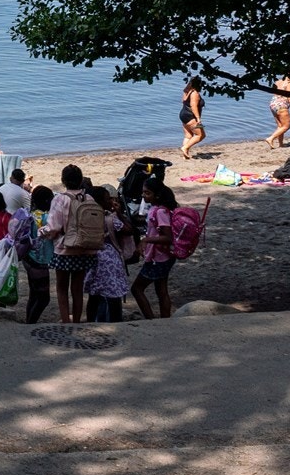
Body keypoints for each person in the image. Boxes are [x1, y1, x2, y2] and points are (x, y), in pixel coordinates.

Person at [41, 164, 99, 323]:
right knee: (77, 288)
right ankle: (77, 319)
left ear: (63, 181)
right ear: (80, 180)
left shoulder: (60, 199)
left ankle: (66, 320)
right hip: (84, 248)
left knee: (61, 287)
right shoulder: (89, 198)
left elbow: (53, 227)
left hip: (64, 248)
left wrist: (41, 233)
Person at [83, 185, 134, 322]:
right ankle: (116, 322)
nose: (110, 202)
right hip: (110, 261)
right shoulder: (110, 219)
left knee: (94, 295)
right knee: (113, 295)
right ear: (101, 202)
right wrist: (119, 214)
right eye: (107, 199)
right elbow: (129, 230)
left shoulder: (87, 217)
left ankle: (90, 322)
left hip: (93, 259)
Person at [131, 180, 179, 319]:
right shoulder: (156, 209)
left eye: (147, 193)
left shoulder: (160, 212)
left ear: (156, 195)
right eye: (143, 192)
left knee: (137, 289)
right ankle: (165, 320)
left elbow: (167, 237)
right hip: (161, 256)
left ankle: (150, 319)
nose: (144, 195)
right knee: (161, 289)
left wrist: (146, 240)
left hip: (158, 258)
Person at [15, 184, 55, 324]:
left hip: (28, 258)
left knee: (34, 293)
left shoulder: (30, 215)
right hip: (40, 261)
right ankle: (30, 322)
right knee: (44, 298)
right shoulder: (46, 218)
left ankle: (29, 319)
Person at [267, 75, 290, 149]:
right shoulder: (289, 83)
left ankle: (281, 144)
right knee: (286, 126)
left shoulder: (277, 81)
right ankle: (270, 138)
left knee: (280, 126)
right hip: (282, 105)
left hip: (273, 103)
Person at [179, 76, 206, 159]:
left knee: (188, 136)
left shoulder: (187, 91)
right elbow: (193, 106)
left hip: (183, 115)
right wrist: (198, 118)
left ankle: (185, 155)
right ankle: (185, 148)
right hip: (191, 116)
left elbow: (183, 100)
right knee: (201, 135)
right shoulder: (195, 93)